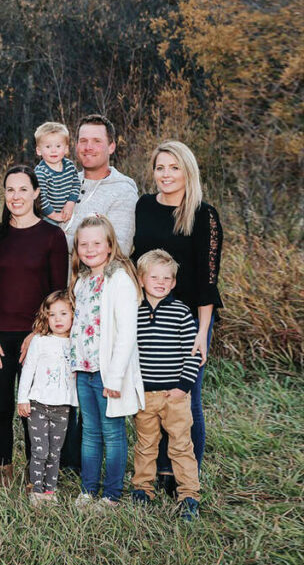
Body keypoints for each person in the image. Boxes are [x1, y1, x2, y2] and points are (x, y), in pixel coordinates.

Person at [132, 140, 222, 493]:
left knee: (185, 395)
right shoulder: (144, 207)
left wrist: (202, 333)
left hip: (189, 320)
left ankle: (184, 476)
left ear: (188, 171)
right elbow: (135, 259)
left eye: (174, 167)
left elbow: (207, 280)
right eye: (160, 168)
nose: (166, 174)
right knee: (152, 394)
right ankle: (156, 471)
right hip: (150, 316)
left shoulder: (204, 214)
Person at [0, 164, 67, 486]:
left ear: (36, 193)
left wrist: (38, 335)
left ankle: (35, 473)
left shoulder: (53, 236)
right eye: (10, 189)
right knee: (1, 409)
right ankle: (3, 472)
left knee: (35, 409)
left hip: (37, 338)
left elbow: (58, 293)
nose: (16, 196)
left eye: (23, 189)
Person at [69, 215, 143, 509]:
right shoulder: (82, 281)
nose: (90, 249)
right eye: (83, 244)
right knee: (89, 432)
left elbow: (126, 333)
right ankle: (88, 490)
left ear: (110, 246)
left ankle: (111, 495)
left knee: (112, 434)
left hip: (108, 373)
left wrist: (114, 378)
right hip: (84, 370)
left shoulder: (119, 279)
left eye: (97, 243)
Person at [129, 249, 202, 521]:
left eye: (166, 278)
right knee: (146, 444)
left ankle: (189, 495)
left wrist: (184, 385)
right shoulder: (133, 312)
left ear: (173, 283)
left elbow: (191, 353)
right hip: (145, 393)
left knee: (181, 445)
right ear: (141, 279)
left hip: (175, 394)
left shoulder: (181, 311)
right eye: (154, 276)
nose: (160, 282)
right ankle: (142, 489)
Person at [16, 291, 77, 506]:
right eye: (52, 315)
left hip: (63, 406)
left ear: (73, 315)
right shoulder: (40, 342)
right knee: (40, 451)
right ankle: (36, 490)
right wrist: (22, 398)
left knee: (55, 452)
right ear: (46, 318)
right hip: (38, 405)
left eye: (63, 313)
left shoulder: (76, 343)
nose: (58, 319)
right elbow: (28, 371)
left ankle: (50, 492)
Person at [63, 115, 139, 255]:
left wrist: (54, 240)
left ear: (111, 147)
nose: (88, 147)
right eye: (83, 141)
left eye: (97, 141)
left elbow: (118, 250)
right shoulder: (65, 182)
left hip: (87, 277)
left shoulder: (123, 192)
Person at [33, 122, 80, 225]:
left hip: (67, 210)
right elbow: (40, 198)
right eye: (48, 147)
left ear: (66, 149)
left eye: (58, 146)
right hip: (46, 215)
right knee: (52, 235)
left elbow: (76, 184)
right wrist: (54, 215)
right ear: (39, 150)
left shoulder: (70, 166)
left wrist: (70, 203)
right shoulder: (40, 173)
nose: (53, 150)